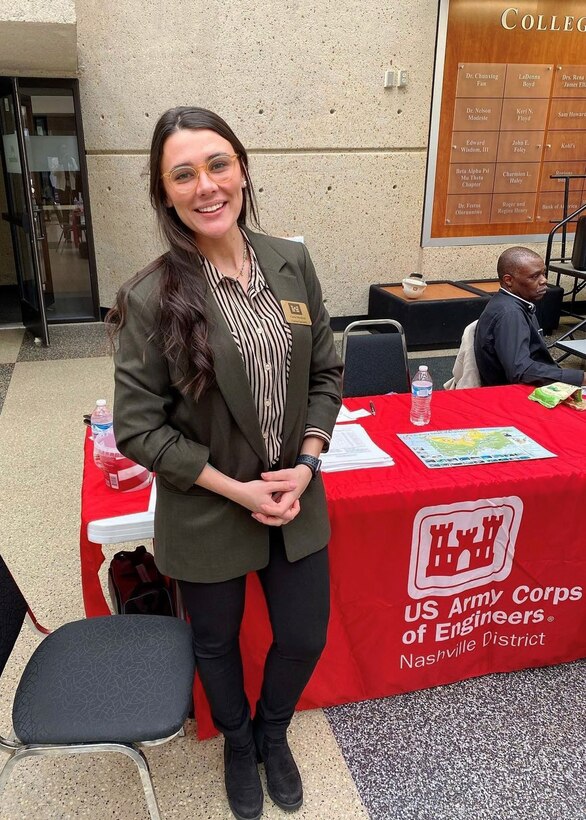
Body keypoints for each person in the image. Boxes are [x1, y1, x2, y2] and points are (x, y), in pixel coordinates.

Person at [107, 106, 343, 820]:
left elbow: (325, 375)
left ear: (242, 168)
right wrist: (239, 491)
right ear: (164, 191)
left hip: (294, 492)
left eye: (218, 164)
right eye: (184, 174)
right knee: (214, 642)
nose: (206, 186)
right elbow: (139, 430)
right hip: (209, 500)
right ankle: (237, 740)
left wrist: (304, 465)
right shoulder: (151, 298)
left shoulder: (289, 261)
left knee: (303, 635)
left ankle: (273, 733)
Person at [474, 246, 586, 387]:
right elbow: (521, 371)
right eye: (534, 276)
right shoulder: (510, 314)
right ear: (509, 281)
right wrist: (580, 378)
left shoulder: (515, 304)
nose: (543, 280)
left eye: (543, 274)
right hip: (518, 396)